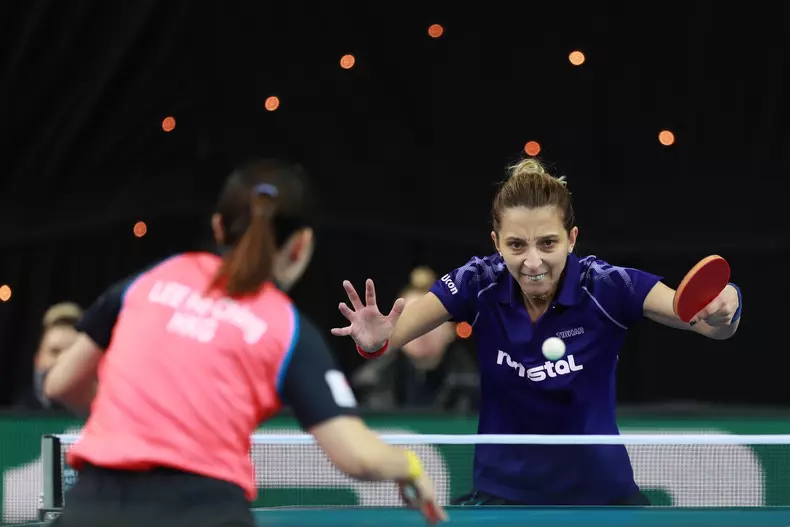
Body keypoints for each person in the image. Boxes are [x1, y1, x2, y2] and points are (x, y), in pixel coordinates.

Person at [43, 159, 447, 527]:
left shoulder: (151, 279)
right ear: (301, 245)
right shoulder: (287, 328)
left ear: (218, 227)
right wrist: (408, 465)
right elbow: (356, 455)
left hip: (93, 508)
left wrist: (138, 418)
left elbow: (60, 383)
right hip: (203, 513)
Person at [331, 157, 742, 506]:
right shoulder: (478, 282)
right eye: (516, 245)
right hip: (502, 498)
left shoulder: (609, 286)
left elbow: (697, 317)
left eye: (548, 243)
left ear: (572, 239)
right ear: (496, 242)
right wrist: (375, 339)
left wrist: (726, 307)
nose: (532, 262)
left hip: (601, 499)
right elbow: (391, 338)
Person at [352, 266, 479, 412]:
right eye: (411, 320)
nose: (422, 331)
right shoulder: (368, 385)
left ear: (450, 330)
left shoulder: (478, 388)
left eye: (432, 321)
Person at [15, 302, 82, 412]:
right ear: (37, 359)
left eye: (71, 352)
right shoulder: (16, 419)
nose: (61, 360)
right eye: (55, 352)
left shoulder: (102, 418)